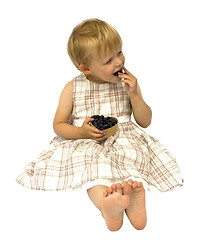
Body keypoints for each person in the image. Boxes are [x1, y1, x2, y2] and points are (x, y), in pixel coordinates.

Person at [16, 18, 183, 231]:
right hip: (88, 140)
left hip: (124, 138)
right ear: (86, 68)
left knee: (132, 159)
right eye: (108, 61)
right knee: (91, 169)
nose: (118, 62)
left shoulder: (128, 84)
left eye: (119, 52)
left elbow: (145, 121)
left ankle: (134, 198)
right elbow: (58, 125)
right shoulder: (72, 88)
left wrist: (135, 95)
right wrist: (80, 132)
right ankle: (107, 205)